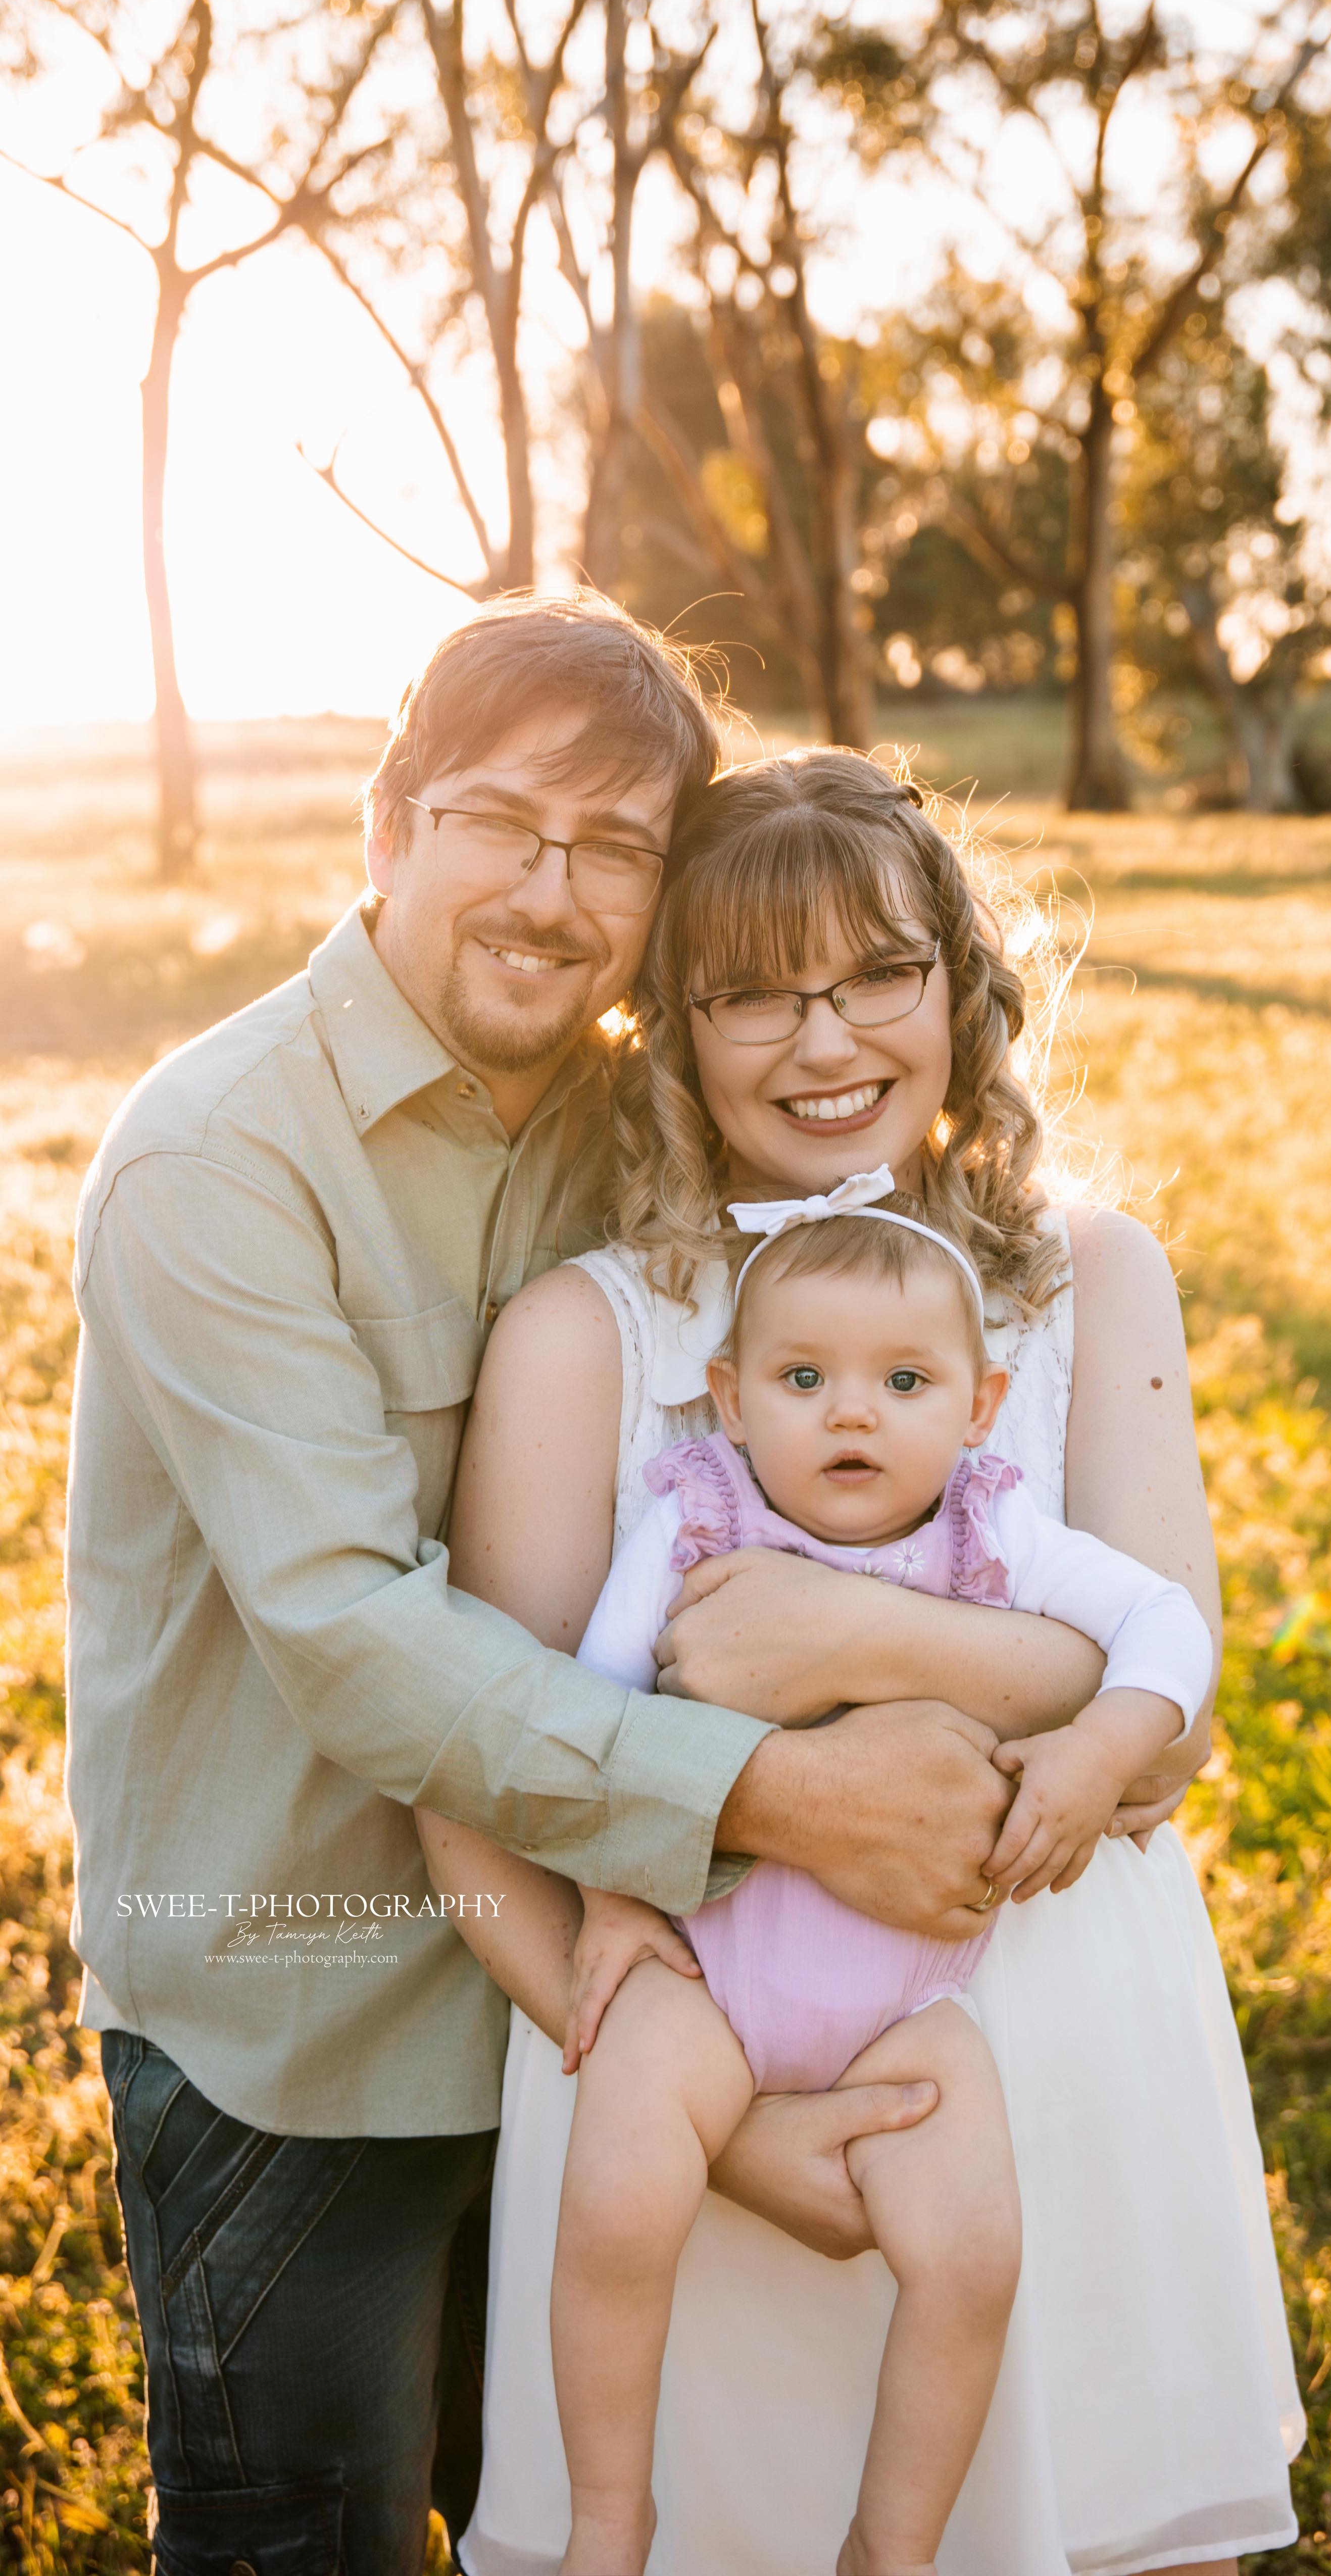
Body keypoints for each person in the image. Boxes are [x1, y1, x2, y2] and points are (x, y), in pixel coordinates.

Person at [62, 600, 1029, 2576]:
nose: (550, 890)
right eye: (502, 824)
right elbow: (352, 1637)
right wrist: (770, 1799)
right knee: (307, 2539)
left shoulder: (634, 1132)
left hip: (617, 1989)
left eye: (615, 847)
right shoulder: (218, 1158)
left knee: (574, 2522)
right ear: (386, 829)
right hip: (309, 2018)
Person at [429, 749, 1304, 2576]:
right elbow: (486, 1769)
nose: (825, 1041)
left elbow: (1168, 1720)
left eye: (879, 975)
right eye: (754, 992)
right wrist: (717, 2125)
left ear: (959, 989)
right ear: (669, 1026)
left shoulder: (1086, 1282)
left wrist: (838, 1630)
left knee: (1093, 2522)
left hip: (1044, 2036)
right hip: (678, 2074)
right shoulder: (588, 1333)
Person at [538, 1182, 1216, 2576]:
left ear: (979, 1408)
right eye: (804, 1378)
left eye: (904, 1382)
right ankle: (609, 2518)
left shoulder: (994, 1533)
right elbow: (586, 1711)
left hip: (907, 2008)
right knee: (615, 2204)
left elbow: (1165, 1625)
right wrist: (610, 1898)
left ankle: (889, 2547)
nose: (852, 1415)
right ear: (728, 1397)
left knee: (972, 2258)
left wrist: (1097, 1751)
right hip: (707, 1975)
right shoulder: (699, 1522)